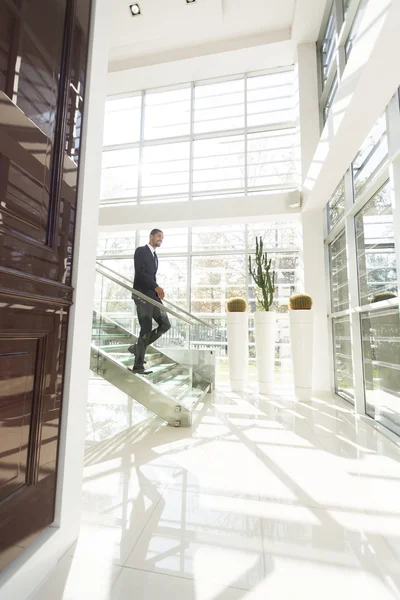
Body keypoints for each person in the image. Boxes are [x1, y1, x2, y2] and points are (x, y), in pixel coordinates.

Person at [128, 229, 171, 374]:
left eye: (162, 237)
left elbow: (151, 276)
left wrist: (156, 292)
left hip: (152, 296)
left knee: (165, 324)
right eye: (159, 236)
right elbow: (140, 273)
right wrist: (156, 287)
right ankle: (138, 366)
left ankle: (136, 348)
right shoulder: (141, 251)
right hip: (142, 296)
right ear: (151, 236)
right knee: (146, 329)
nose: (161, 239)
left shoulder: (155, 256)